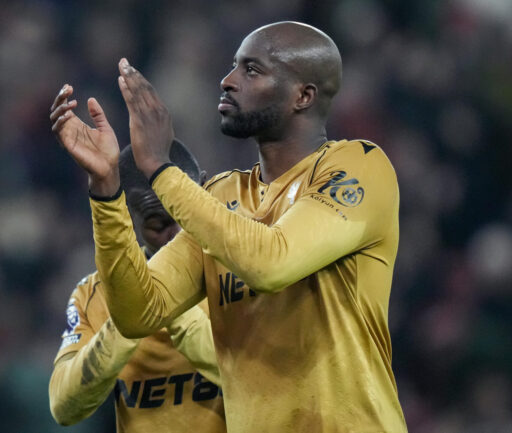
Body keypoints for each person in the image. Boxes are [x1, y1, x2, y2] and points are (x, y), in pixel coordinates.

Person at [50, 21, 407, 432]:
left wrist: (161, 170)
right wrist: (107, 192)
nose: (228, 81)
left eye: (251, 70)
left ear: (303, 96)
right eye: (233, 66)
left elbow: (272, 263)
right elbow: (138, 312)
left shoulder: (358, 166)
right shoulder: (222, 196)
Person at [48, 142, 226, 433]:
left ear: (205, 189)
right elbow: (64, 406)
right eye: (160, 224)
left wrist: (164, 302)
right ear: (128, 217)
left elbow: (262, 383)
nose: (178, 236)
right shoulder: (96, 294)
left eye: (184, 212)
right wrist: (130, 306)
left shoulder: (241, 270)